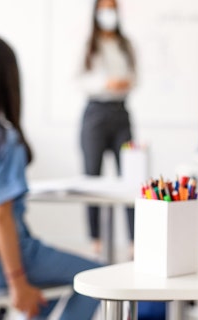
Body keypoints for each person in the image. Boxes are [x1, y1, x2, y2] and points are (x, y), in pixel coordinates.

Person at [0, 36, 100, 319]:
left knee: (42, 298)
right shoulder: (3, 141)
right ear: (8, 81)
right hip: (0, 264)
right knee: (98, 278)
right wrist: (17, 283)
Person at [80, 0, 137, 255]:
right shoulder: (87, 46)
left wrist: (123, 84)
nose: (108, 14)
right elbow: (77, 79)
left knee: (130, 176)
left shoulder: (127, 45)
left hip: (121, 112)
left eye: (112, 8)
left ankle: (133, 241)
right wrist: (105, 83)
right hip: (95, 113)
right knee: (92, 176)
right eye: (104, 9)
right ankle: (95, 239)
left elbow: (136, 77)